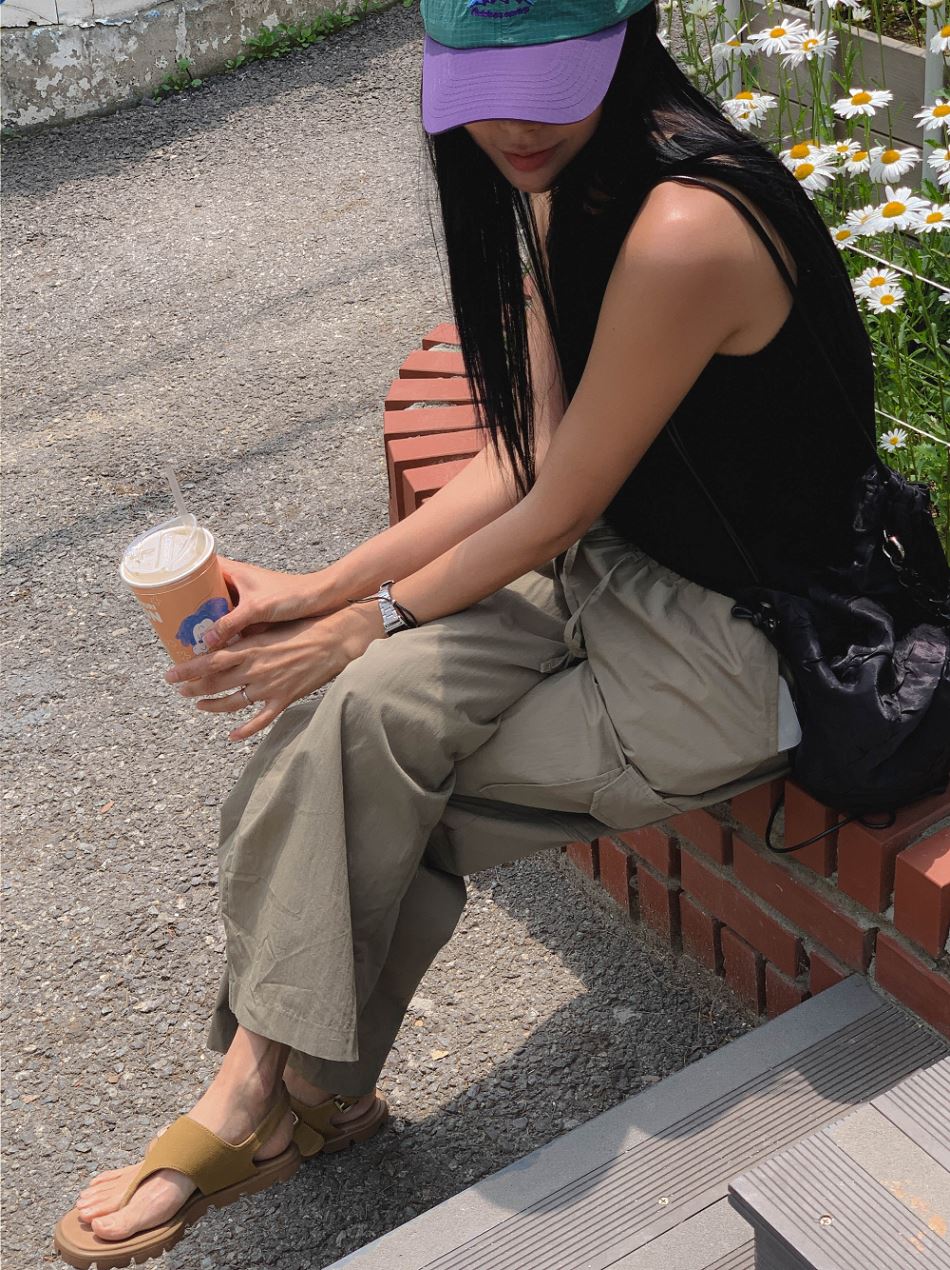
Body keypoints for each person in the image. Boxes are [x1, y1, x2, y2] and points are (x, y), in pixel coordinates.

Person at [54, 0, 876, 1264]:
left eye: (545, 82)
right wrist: (324, 589)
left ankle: (263, 1100)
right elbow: (528, 451)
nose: (510, 124)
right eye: (479, 87)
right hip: (613, 572)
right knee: (356, 720)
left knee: (372, 784)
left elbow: (561, 499)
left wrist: (372, 616)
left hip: (735, 646)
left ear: (627, 38)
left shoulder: (683, 225)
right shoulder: (569, 183)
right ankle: (288, 1094)